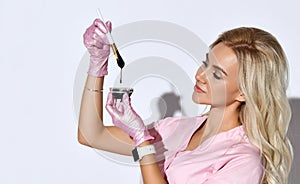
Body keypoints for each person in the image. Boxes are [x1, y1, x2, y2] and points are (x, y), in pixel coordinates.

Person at [78, 19, 293, 184]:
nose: (201, 75)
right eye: (206, 63)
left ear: (244, 93)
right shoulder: (177, 129)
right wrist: (98, 63)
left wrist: (142, 140)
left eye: (217, 74)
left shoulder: (243, 160)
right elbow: (91, 135)